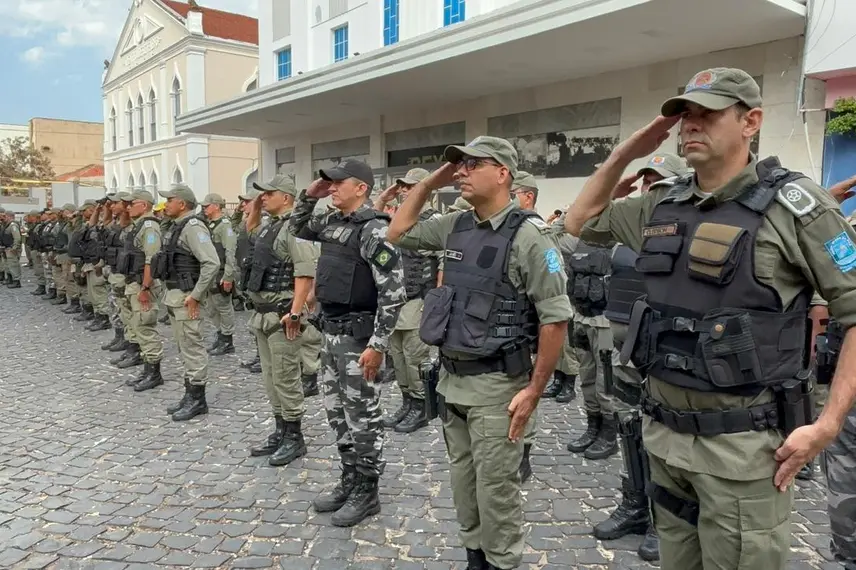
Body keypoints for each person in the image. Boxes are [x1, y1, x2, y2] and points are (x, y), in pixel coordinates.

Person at [565, 67, 856, 570]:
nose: (691, 126)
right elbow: (580, 222)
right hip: (666, 439)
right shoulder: (662, 202)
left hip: (744, 452)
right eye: (685, 116)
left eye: (708, 114)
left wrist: (827, 425)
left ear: (751, 122)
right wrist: (625, 153)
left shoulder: (796, 208)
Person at [388, 136, 572, 570]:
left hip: (498, 387)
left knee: (497, 489)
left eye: (473, 164)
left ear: (503, 172)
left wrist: (534, 391)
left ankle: (502, 561)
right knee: (463, 479)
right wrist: (432, 182)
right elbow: (398, 231)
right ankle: (476, 556)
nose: (462, 172)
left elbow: (555, 319)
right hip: (453, 380)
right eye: (459, 166)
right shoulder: (456, 224)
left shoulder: (531, 237)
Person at [289, 158, 407, 528]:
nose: (332, 187)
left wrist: (379, 344)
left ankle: (367, 490)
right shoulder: (333, 224)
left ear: (362, 188)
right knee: (336, 413)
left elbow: (394, 292)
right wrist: (309, 195)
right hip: (331, 335)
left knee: (363, 416)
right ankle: (349, 477)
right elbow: (298, 227)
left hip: (359, 341)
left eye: (339, 183)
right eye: (329, 183)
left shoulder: (374, 230)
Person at [245, 174, 321, 466]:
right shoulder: (270, 226)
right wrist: (255, 205)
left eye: (269, 193)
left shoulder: (294, 229)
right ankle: (280, 430)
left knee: (287, 377)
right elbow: (249, 230)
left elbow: (304, 273)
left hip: (282, 314)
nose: (263, 197)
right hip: (263, 314)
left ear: (286, 198)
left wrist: (296, 313)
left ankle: (294, 436)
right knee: (270, 378)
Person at [373, 168, 440, 434]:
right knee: (398, 357)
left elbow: (443, 262)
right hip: (395, 300)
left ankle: (422, 406)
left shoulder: (434, 221)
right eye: (402, 187)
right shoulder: (397, 218)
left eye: (410, 186)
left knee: (415, 357)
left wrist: (437, 300)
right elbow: (371, 221)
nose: (404, 191)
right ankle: (407, 402)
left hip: (418, 299)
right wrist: (382, 199)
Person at [156, 184, 221, 421]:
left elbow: (211, 263)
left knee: (192, 348)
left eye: (169, 200)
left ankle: (198, 399)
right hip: (175, 298)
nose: (165, 204)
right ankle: (189, 395)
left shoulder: (193, 227)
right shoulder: (178, 226)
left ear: (182, 204)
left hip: (187, 298)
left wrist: (196, 294)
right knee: (185, 347)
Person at [120, 190, 163, 383]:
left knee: (145, 327)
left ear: (144, 205)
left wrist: (145, 288)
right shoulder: (138, 226)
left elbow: (151, 259)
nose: (127, 208)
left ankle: (154, 373)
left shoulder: (150, 227)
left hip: (143, 284)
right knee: (137, 325)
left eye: (132, 204)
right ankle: (147, 368)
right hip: (135, 282)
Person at [200, 193, 238, 356]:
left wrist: (229, 276)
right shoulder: (210, 224)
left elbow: (230, 252)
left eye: (207, 206)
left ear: (216, 206)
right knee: (211, 307)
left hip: (221, 273)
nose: (204, 209)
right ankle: (220, 334)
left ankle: (227, 339)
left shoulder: (225, 226)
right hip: (210, 273)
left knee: (223, 307)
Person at [0, 209, 22, 288]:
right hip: (6, 248)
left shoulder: (13, 225)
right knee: (7, 265)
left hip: (11, 248)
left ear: (9, 216)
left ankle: (16, 281)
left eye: (5, 216)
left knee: (13, 265)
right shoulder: (6, 225)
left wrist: (14, 247)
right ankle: (10, 279)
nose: (3, 217)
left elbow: (17, 237)